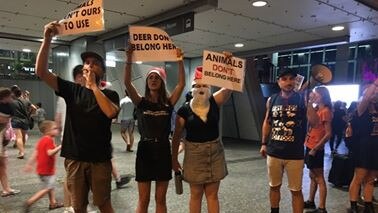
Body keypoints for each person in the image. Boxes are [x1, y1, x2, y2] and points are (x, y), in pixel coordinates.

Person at [36, 21, 120, 213]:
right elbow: (41, 72)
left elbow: (110, 112)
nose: (89, 66)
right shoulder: (71, 90)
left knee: (103, 203)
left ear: (102, 71)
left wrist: (92, 87)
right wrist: (47, 38)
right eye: (87, 62)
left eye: (95, 63)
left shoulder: (110, 95)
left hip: (100, 159)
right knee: (78, 205)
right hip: (75, 158)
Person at [124, 45, 185, 213]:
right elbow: (127, 83)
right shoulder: (140, 102)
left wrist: (180, 61)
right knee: (143, 199)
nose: (153, 80)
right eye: (150, 77)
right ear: (147, 82)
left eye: (156, 77)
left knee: (160, 199)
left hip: (163, 150)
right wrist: (129, 58)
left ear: (161, 82)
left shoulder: (168, 103)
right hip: (145, 150)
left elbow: (181, 84)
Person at [171, 65, 231, 213]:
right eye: (198, 85)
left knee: (212, 195)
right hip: (194, 155)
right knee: (196, 195)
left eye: (205, 85)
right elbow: (177, 135)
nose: (201, 88)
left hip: (215, 152)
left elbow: (229, 86)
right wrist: (173, 159)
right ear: (192, 89)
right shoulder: (184, 110)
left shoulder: (214, 102)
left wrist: (228, 65)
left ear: (209, 88)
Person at [260, 68, 313, 213]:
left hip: (294, 154)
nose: (288, 82)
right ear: (279, 82)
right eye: (284, 79)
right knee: (274, 186)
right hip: (274, 151)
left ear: (296, 81)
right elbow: (267, 122)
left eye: (291, 79)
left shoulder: (302, 98)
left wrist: (310, 105)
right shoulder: (272, 99)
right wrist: (264, 143)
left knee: (296, 190)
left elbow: (313, 122)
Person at [348, 79, 378, 213]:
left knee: (371, 178)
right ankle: (353, 204)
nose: (374, 94)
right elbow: (366, 98)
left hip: (375, 147)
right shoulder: (360, 110)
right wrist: (375, 83)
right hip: (363, 147)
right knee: (359, 177)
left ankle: (368, 204)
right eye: (372, 92)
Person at [303, 86, 333, 213]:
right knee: (312, 175)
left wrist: (316, 148)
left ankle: (322, 207)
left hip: (315, 147)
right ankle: (311, 201)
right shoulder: (316, 108)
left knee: (319, 177)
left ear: (322, 96)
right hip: (309, 144)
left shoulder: (325, 111)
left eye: (315, 94)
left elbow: (328, 133)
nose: (313, 95)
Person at [23, 120, 64, 212]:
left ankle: (53, 203)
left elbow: (36, 153)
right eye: (54, 128)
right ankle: (30, 202)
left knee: (50, 186)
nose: (57, 130)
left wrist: (29, 164)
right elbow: (50, 153)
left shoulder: (42, 140)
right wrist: (60, 147)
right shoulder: (49, 140)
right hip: (47, 170)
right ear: (47, 131)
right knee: (47, 188)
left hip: (41, 170)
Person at [0, 87, 21, 197]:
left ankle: (6, 189)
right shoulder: (7, 109)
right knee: (2, 164)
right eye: (8, 96)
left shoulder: (8, 107)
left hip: (2, 140)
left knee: (2, 165)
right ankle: (6, 189)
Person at [9, 85, 30, 159]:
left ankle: (21, 152)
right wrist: (29, 113)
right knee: (23, 137)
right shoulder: (26, 100)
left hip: (16, 120)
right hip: (25, 121)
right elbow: (34, 108)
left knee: (18, 137)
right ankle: (22, 150)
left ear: (13, 94)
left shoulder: (11, 102)